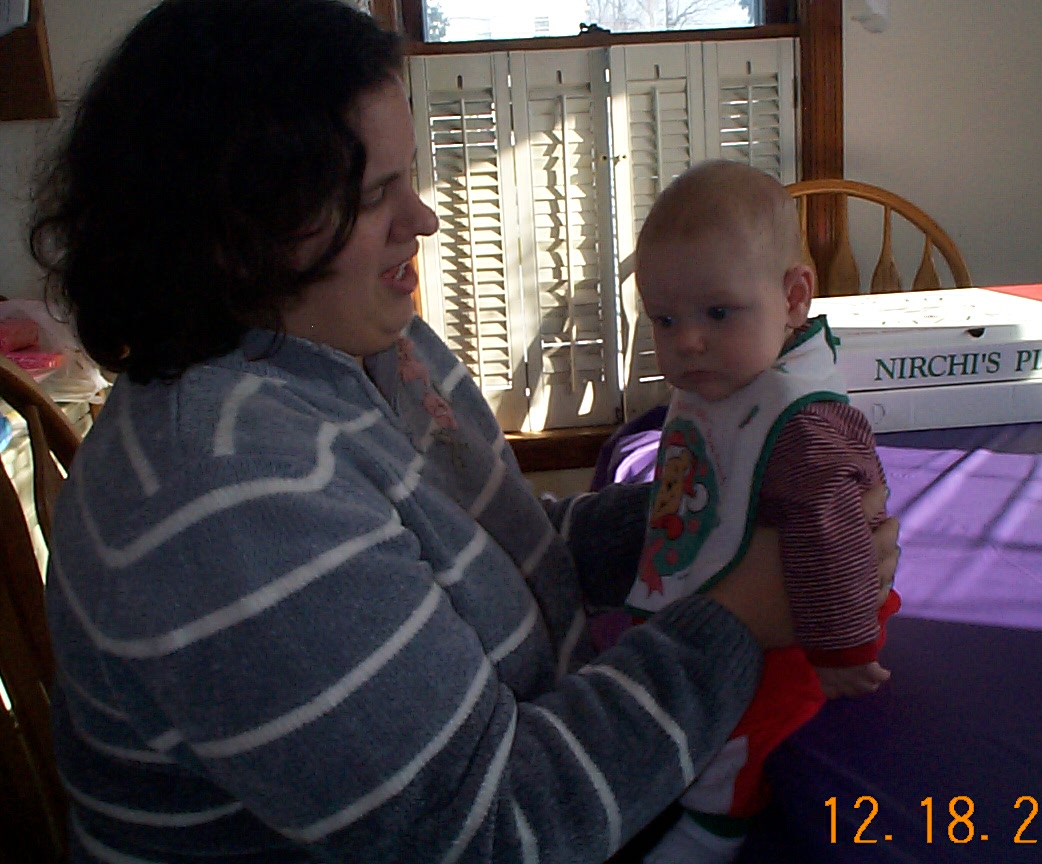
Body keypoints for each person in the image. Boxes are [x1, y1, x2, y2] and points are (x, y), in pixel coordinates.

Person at [29, 3, 898, 862]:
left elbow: (486, 551)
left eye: (407, 177)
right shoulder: (225, 495)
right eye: (375, 195)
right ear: (238, 232)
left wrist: (724, 523)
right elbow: (489, 833)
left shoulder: (367, 344)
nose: (424, 218)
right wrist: (741, 612)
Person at [623, 161, 901, 864]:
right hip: (748, 598)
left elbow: (832, 537)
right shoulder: (726, 380)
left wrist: (842, 650)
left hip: (813, 618)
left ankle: (714, 828)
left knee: (740, 724)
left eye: (717, 313)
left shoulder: (802, 422)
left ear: (794, 297)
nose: (687, 341)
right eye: (664, 319)